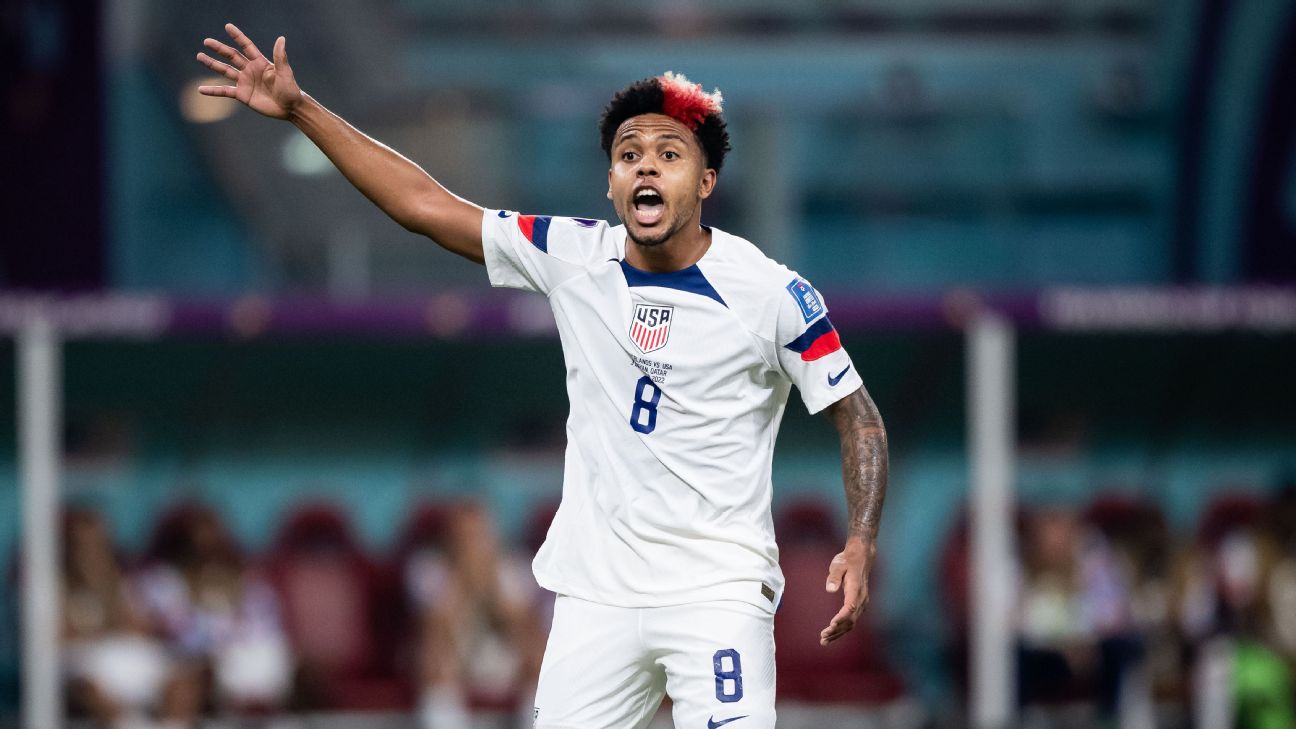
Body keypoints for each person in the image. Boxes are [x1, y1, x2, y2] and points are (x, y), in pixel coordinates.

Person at [195, 23, 889, 728]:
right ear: (612, 182)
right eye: (629, 155)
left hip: (716, 594)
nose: (645, 167)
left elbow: (856, 412)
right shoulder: (574, 255)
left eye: (669, 154)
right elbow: (426, 207)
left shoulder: (773, 294)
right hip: (595, 599)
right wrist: (302, 109)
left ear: (706, 180)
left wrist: (861, 537)